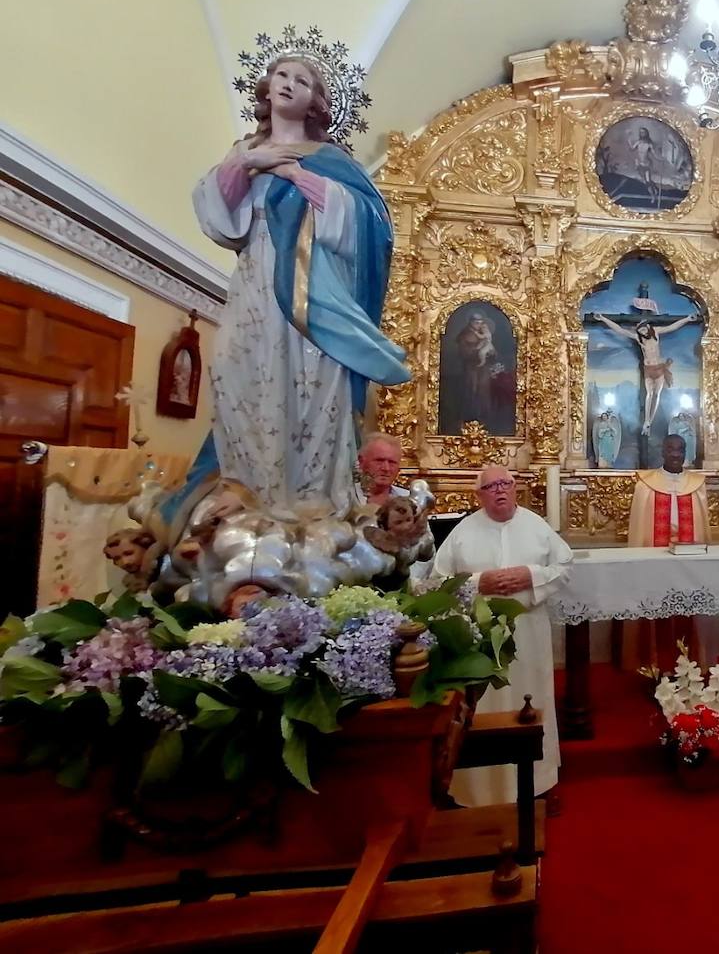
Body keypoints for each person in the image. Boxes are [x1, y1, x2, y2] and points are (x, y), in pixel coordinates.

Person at [191, 55, 408, 518]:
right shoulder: (244, 151)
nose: (290, 85)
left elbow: (371, 226)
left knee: (310, 382)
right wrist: (252, 161)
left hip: (314, 291)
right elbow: (220, 220)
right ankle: (249, 491)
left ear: (314, 102)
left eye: (303, 81)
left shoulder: (331, 161)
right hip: (256, 278)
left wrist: (294, 174)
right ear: (268, 88)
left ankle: (309, 499)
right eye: (283, 76)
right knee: (236, 367)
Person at [432, 465, 573, 806]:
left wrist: (529, 575)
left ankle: (539, 783)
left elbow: (564, 567)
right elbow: (436, 581)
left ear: (514, 488)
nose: (500, 491)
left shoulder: (536, 526)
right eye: (491, 486)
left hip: (528, 633)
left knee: (532, 700)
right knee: (484, 707)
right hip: (480, 639)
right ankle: (480, 790)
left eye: (505, 484)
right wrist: (479, 583)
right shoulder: (464, 531)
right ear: (479, 495)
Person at [627, 434, 713, 662]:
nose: (676, 454)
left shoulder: (697, 484)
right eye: (671, 449)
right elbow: (639, 528)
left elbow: (702, 525)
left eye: (680, 449)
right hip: (655, 560)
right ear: (662, 451)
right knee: (656, 612)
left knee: (689, 610)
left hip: (689, 560)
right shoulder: (646, 484)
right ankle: (655, 665)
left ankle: (692, 663)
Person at [593, 312, 699, 434]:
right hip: (648, 369)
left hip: (658, 367)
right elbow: (620, 330)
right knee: (649, 394)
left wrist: (687, 318)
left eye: (643, 329)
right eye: (640, 330)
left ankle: (649, 422)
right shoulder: (639, 338)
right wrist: (603, 318)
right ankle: (646, 421)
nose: (642, 332)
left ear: (647, 327)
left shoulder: (656, 332)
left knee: (657, 395)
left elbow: (672, 327)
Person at [356, 432, 406, 508]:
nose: (386, 468)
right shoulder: (345, 498)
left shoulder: (408, 499)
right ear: (361, 462)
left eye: (392, 462)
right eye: (379, 461)